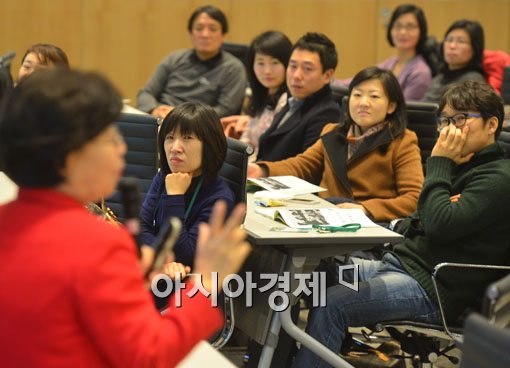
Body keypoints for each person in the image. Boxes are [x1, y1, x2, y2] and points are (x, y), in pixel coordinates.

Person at [0, 68, 251, 367]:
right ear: (71, 157)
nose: (122, 148)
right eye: (109, 139)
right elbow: (149, 356)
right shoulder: (98, 243)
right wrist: (207, 283)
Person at [293, 80, 510, 368]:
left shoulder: (497, 178)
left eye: (461, 119)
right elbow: (420, 218)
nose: (449, 129)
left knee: (333, 303)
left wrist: (439, 163)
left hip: (431, 287)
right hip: (398, 264)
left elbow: (439, 225)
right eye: (445, 120)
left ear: (491, 124)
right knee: (308, 271)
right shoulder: (464, 164)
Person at [249, 67, 423, 223]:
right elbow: (302, 165)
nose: (363, 102)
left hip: (370, 225)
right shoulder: (333, 132)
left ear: (391, 106)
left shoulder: (402, 141)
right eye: (357, 94)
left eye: (374, 96)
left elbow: (414, 198)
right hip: (326, 217)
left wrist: (366, 208)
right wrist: (262, 170)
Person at [139, 102, 235, 267]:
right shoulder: (164, 177)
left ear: (210, 145)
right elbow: (141, 228)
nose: (175, 148)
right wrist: (162, 259)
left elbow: (188, 256)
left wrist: (175, 196)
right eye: (170, 137)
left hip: (187, 285)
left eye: (187, 138)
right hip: (157, 270)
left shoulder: (219, 199)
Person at [136, 5, 247, 118]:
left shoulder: (233, 68)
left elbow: (225, 110)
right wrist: (154, 109)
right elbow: (146, 93)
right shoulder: (174, 58)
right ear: (190, 33)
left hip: (196, 127)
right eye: (199, 28)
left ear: (224, 35)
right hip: (159, 118)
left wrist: (180, 117)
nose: (205, 35)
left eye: (213, 29)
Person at [256, 32, 341, 162]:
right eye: (293, 66)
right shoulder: (294, 99)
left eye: (307, 69)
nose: (296, 75)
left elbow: (308, 169)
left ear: (327, 76)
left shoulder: (327, 113)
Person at [332, 4, 432, 101]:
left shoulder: (420, 72)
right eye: (398, 26)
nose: (403, 32)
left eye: (410, 27)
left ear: (421, 32)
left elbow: (407, 111)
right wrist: (329, 81)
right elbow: (359, 81)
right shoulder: (392, 62)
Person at [220, 30, 292, 160]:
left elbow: (270, 150)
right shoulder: (260, 96)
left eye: (274, 62)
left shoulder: (287, 100)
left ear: (287, 63)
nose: (267, 71)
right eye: (260, 63)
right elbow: (246, 141)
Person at [423, 19, 486, 102]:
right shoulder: (438, 77)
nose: (452, 46)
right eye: (449, 40)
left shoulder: (473, 83)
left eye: (461, 41)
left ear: (475, 48)